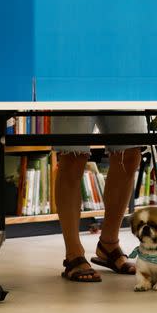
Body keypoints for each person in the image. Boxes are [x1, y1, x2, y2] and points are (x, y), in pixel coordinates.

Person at [55, 115, 146, 282]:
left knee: (131, 154)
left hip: (125, 89)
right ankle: (73, 253)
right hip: (72, 89)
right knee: (73, 154)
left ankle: (108, 244)